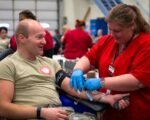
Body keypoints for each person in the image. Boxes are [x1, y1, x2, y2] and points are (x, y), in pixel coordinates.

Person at [0, 19, 130, 119]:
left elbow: (72, 88)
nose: (45, 42)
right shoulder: (8, 65)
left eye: (44, 37)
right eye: (39, 37)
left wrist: (106, 98)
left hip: (59, 114)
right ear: (22, 38)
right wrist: (42, 113)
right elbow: (3, 108)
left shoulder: (50, 63)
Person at [70, 4, 150, 120]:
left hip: (136, 111)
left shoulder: (146, 44)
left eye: (117, 31)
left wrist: (101, 82)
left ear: (132, 26)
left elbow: (138, 80)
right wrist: (78, 70)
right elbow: (89, 57)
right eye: (110, 29)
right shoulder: (107, 41)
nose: (112, 34)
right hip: (109, 110)